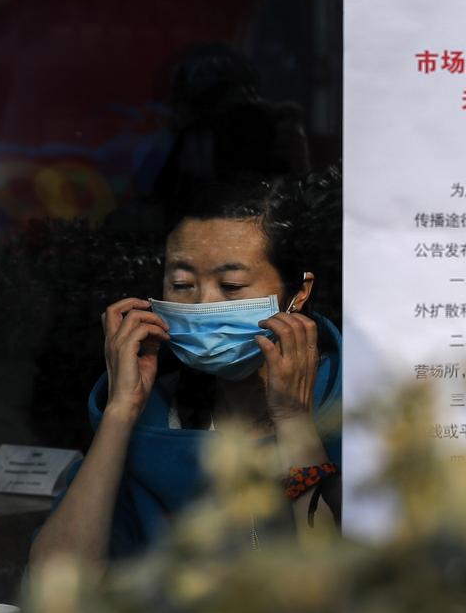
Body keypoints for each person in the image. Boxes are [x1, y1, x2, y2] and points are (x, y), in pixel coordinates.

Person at [28, 172, 340, 575]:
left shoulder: (354, 406)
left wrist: (295, 423)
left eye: (230, 285)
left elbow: (341, 591)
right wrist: (121, 413)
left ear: (299, 292)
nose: (204, 304)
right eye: (182, 283)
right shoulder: (157, 416)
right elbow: (56, 583)